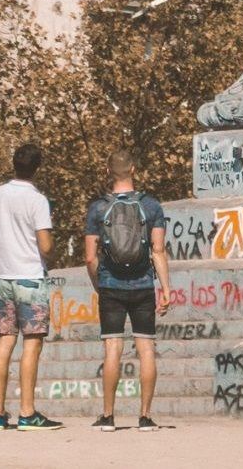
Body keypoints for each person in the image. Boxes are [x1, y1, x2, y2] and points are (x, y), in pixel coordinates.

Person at [84, 150, 170, 432]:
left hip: (111, 285)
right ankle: (145, 417)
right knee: (146, 349)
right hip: (144, 285)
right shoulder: (151, 206)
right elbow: (158, 250)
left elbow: (89, 257)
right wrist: (166, 288)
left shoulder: (98, 208)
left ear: (108, 171)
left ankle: (108, 416)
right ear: (133, 169)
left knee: (113, 349)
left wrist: (100, 283)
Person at [0, 142, 63, 430]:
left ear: (14, 164)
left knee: (4, 342)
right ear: (37, 168)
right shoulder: (37, 200)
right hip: (30, 276)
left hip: (4, 276)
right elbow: (45, 244)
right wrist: (50, 253)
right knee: (32, 344)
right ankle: (27, 412)